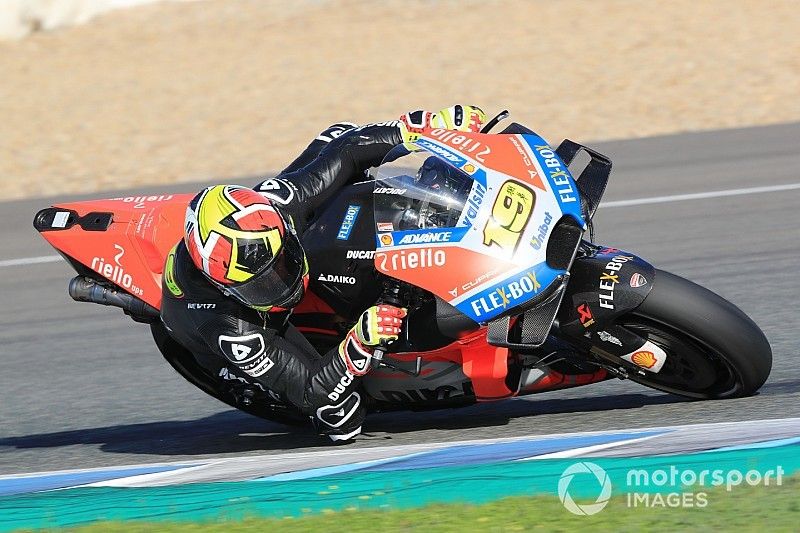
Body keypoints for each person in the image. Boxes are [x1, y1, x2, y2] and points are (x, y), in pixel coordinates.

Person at [160, 105, 487, 441]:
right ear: (226, 286)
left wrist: (422, 130)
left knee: (337, 133)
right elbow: (313, 390)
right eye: (263, 283)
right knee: (341, 418)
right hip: (249, 326)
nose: (280, 285)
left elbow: (346, 152)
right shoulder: (232, 328)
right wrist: (359, 342)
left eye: (281, 265)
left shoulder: (278, 206)